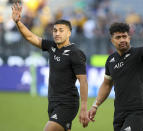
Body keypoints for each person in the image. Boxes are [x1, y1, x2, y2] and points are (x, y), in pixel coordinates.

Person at [11, 2, 89, 131]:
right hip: (53, 102)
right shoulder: (52, 46)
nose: (57, 33)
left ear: (69, 33)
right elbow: (30, 37)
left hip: (67, 103)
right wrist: (18, 22)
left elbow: (83, 81)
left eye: (61, 30)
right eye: (55, 30)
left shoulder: (75, 52)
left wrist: (84, 108)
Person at [88, 22, 143, 131]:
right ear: (112, 40)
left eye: (124, 36)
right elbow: (106, 85)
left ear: (129, 37)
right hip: (119, 113)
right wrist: (95, 105)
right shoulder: (110, 60)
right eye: (118, 37)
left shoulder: (138, 54)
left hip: (137, 111)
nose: (122, 40)